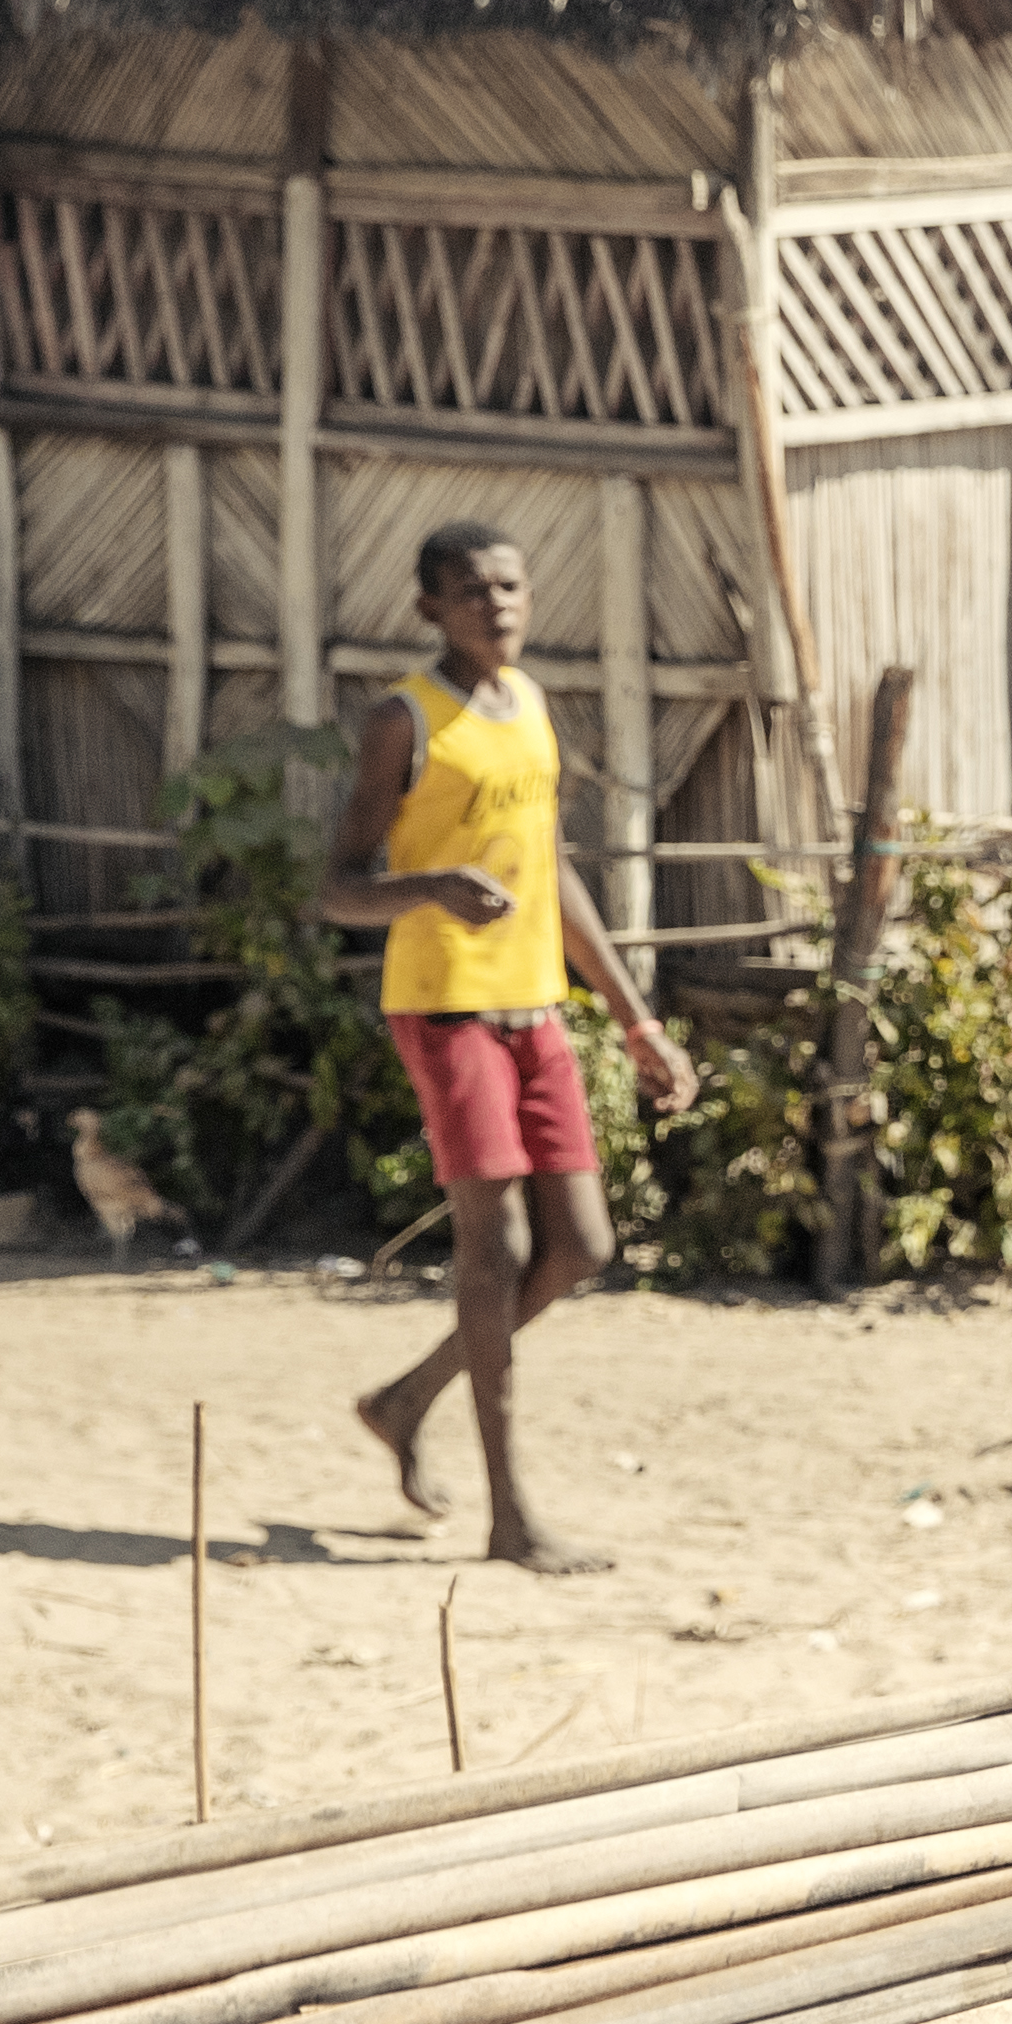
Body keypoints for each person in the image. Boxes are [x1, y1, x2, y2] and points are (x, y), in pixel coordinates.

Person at [326, 521, 692, 1567]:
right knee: (500, 1251)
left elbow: (552, 869)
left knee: (582, 1246)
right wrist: (431, 888)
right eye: (472, 590)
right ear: (429, 607)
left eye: (510, 585)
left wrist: (633, 1016)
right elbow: (338, 886)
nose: (498, 605)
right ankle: (510, 1517)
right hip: (444, 1008)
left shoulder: (528, 705)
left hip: (537, 1005)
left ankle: (406, 1397)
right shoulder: (407, 720)